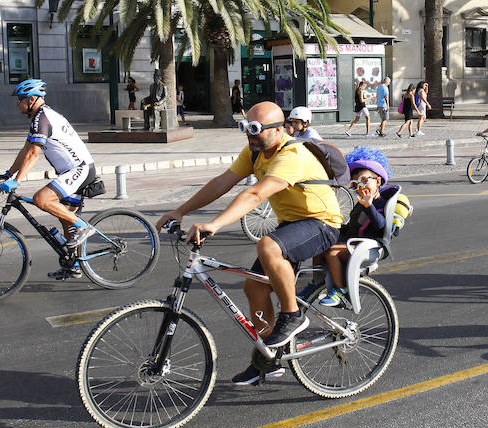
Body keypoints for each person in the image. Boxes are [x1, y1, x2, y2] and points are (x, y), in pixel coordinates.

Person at [155, 101, 342, 385]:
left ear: (279, 130)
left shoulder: (292, 154)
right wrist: (180, 210)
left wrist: (214, 224)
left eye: (256, 130)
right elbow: (223, 182)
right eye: (246, 128)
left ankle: (292, 316)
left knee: (267, 245)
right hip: (292, 224)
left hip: (321, 223)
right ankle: (269, 358)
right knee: (254, 286)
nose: (249, 135)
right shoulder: (256, 152)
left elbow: (255, 195)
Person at [0, 79, 98, 280]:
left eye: (20, 99)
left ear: (32, 99)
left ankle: (85, 227)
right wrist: (8, 174)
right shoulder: (38, 118)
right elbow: (25, 150)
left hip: (80, 170)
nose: (17, 103)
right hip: (71, 172)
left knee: (41, 199)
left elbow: (34, 154)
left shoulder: (43, 118)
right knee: (65, 219)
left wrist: (17, 180)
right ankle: (73, 265)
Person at [316, 147, 393, 306]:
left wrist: (369, 206)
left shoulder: (380, 203)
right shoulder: (360, 205)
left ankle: (340, 290)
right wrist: (330, 228)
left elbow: (381, 225)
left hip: (370, 248)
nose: (360, 186)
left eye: (365, 181)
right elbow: (352, 228)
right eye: (356, 183)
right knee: (321, 245)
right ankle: (315, 282)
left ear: (378, 181)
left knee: (332, 252)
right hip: (355, 243)